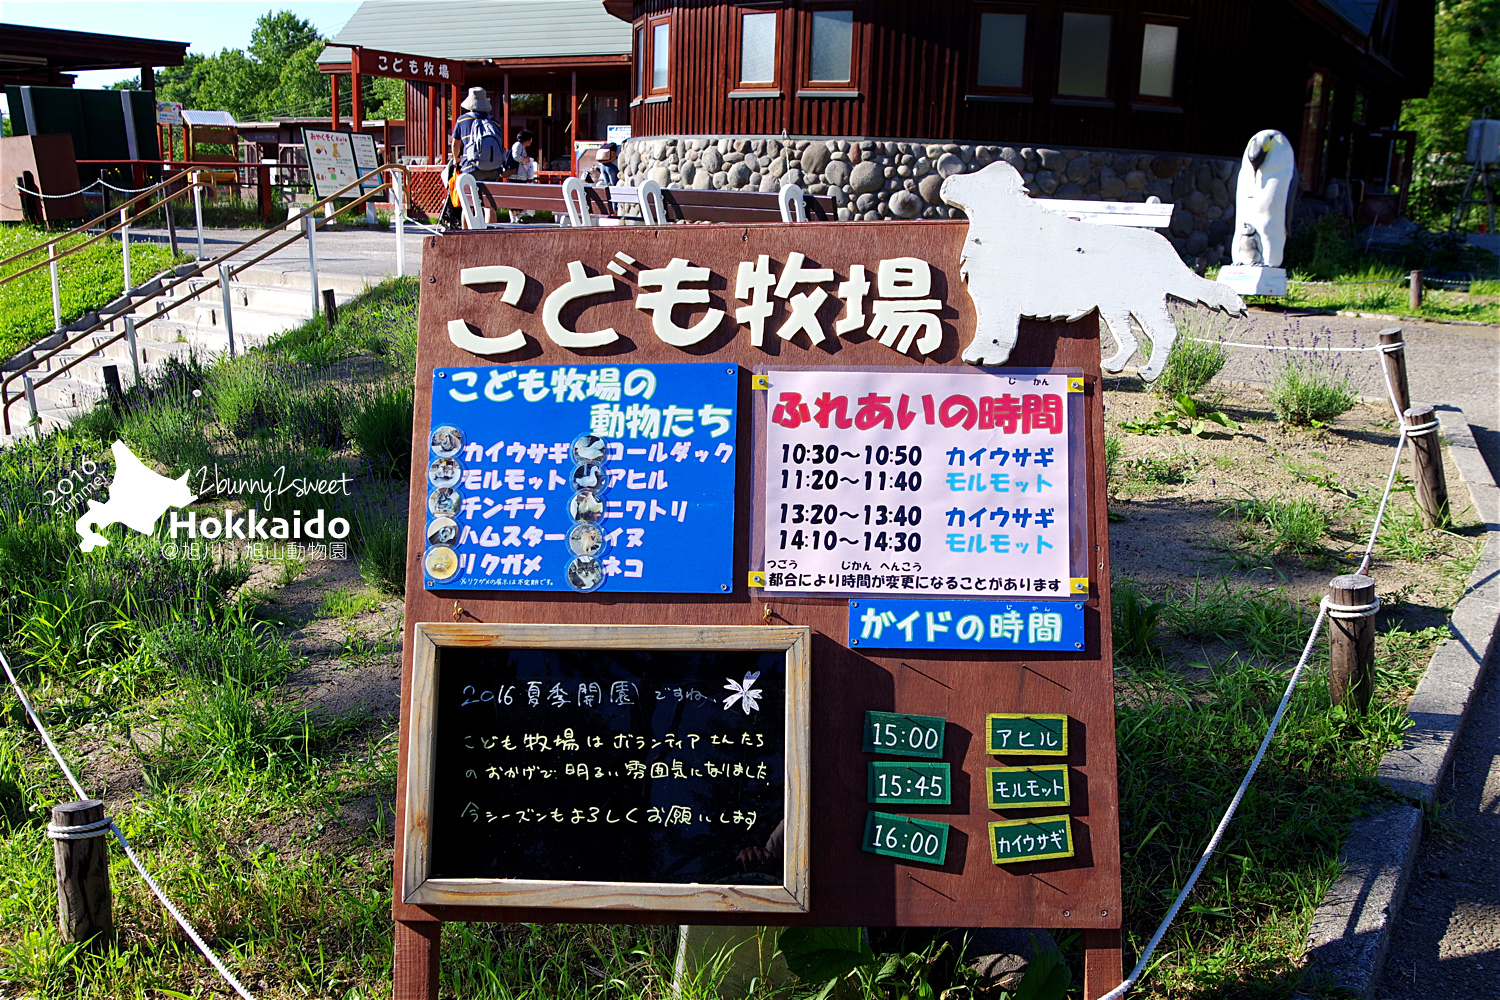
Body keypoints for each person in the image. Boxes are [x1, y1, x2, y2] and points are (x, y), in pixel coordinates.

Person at [449, 88, 510, 182]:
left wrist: (456, 159)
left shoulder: (462, 120)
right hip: (494, 168)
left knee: (469, 195)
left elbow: (455, 144)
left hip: (471, 167)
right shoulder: (494, 121)